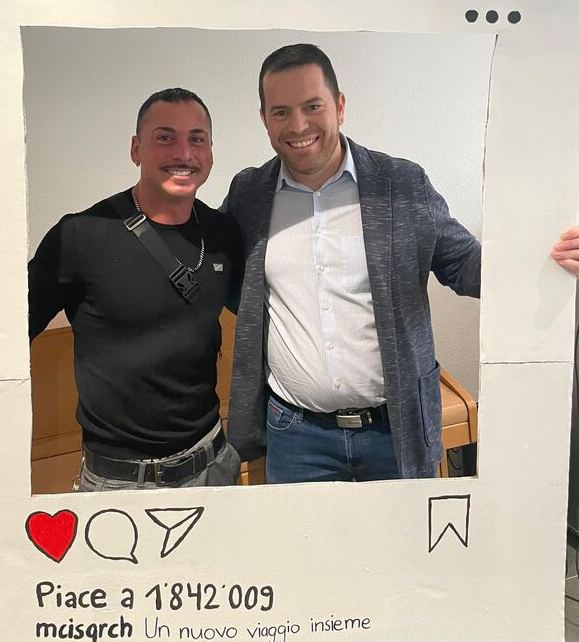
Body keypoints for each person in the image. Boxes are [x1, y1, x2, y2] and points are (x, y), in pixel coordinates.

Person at [223, 42, 579, 484]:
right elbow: (225, 278)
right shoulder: (249, 195)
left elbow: (463, 265)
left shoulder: (402, 183)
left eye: (313, 106)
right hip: (296, 437)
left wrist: (540, 255)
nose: (298, 126)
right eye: (281, 112)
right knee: (305, 535)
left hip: (396, 430)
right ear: (264, 119)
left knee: (409, 533)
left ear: (340, 106)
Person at [0, 88, 243, 490]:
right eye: (164, 137)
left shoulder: (223, 234)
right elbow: (4, 328)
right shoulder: (79, 235)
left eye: (197, 139)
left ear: (210, 152)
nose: (183, 152)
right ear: (136, 149)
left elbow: (265, 312)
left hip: (215, 465)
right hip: (118, 482)